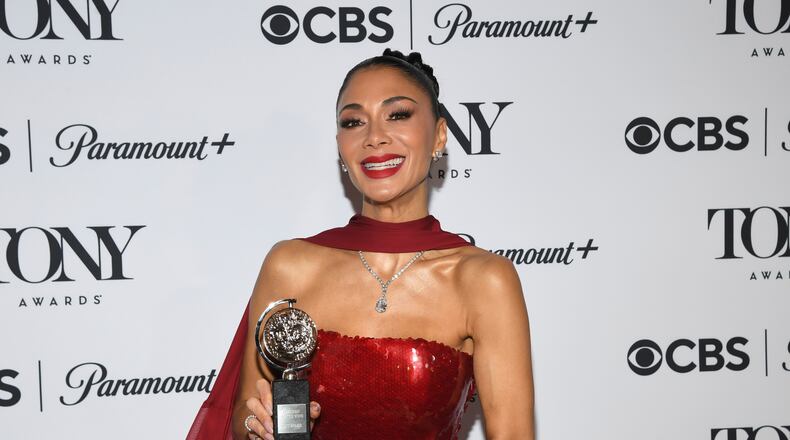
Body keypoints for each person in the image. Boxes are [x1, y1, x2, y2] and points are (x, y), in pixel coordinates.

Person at [187, 49, 534, 440]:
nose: (374, 137)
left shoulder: (484, 279)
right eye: (354, 122)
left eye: (398, 114)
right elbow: (244, 414)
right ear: (340, 146)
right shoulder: (291, 265)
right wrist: (258, 427)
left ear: (439, 135)